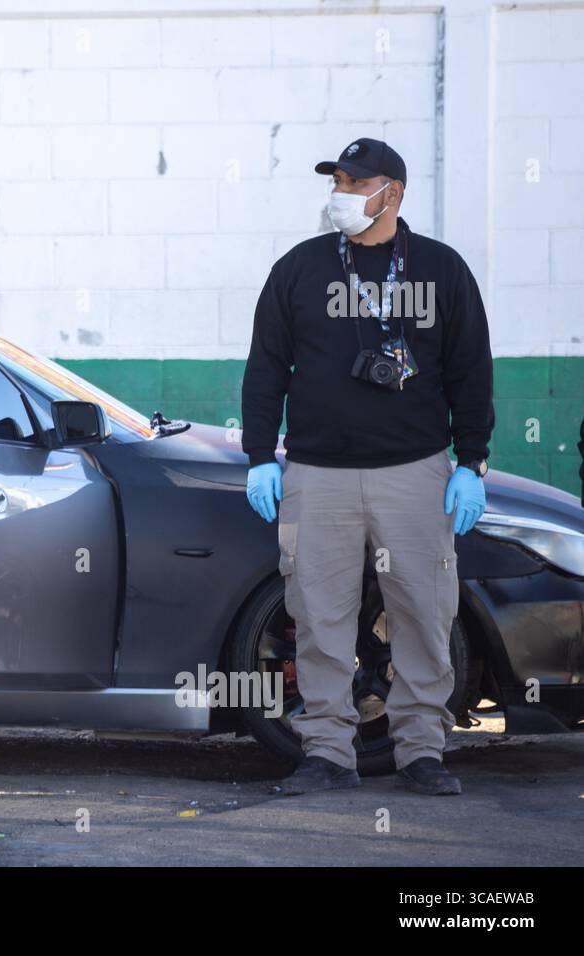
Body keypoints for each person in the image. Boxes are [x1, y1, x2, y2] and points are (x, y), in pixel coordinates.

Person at [241, 138, 495, 796]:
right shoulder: (300, 268)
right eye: (339, 182)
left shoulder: (440, 270)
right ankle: (326, 750)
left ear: (394, 193)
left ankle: (421, 751)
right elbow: (266, 367)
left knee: (423, 610)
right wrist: (259, 455)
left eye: (357, 183)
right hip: (316, 474)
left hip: (415, 472)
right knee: (318, 613)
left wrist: (473, 461)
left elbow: (471, 371)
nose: (343, 194)